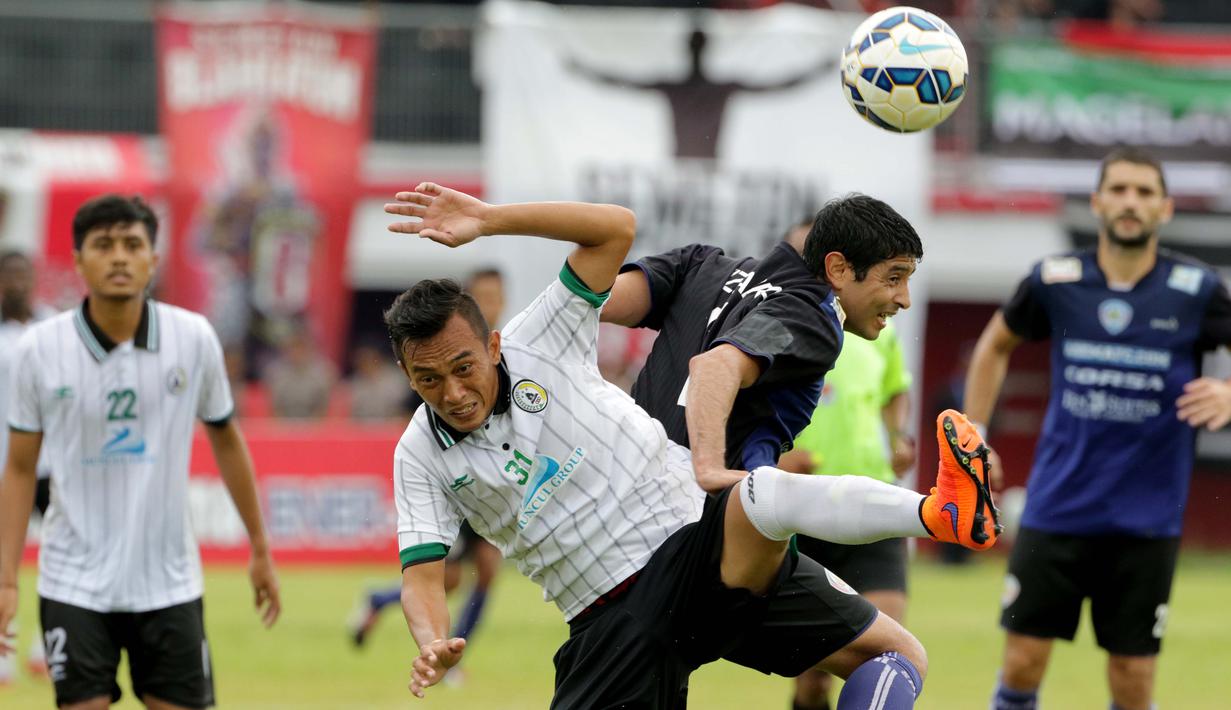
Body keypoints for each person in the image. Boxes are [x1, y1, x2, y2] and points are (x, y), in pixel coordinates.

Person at [383, 183, 999, 708]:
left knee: (892, 649)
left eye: (463, 368)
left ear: (492, 346)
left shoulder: (539, 338)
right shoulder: (417, 452)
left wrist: (490, 219)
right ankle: (935, 511)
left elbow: (614, 232)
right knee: (755, 495)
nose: (454, 392)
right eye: (428, 381)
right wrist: (432, 639)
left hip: (689, 537)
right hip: (615, 614)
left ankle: (937, 511)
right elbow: (424, 577)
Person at [965, 148, 1231, 710]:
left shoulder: (1197, 288)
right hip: (1056, 508)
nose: (1130, 202)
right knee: (1022, 663)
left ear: (1165, 208)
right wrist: (977, 433)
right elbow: (994, 346)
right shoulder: (1056, 280)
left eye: (1143, 192)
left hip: (1146, 519)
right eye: (1119, 190)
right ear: (1097, 202)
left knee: (1132, 677)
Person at [0, 195, 282, 709]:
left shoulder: (193, 338)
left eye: (133, 244)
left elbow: (226, 439)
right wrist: (5, 582)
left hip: (169, 583)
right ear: (78, 259)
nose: (119, 257)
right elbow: (19, 468)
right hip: (73, 583)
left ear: (153, 259)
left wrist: (260, 546)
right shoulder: (37, 350)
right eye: (103, 245)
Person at [766, 219, 917, 710]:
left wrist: (897, 437)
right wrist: (773, 460)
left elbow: (895, 391)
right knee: (815, 681)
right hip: (806, 509)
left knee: (888, 656)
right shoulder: (775, 323)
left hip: (873, 499)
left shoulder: (880, 330)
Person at [350, 269, 506, 663]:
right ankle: (384, 602)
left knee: (487, 570)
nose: (492, 303)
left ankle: (455, 651)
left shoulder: (504, 350)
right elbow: (417, 415)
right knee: (447, 577)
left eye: (497, 296)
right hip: (457, 483)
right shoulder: (435, 351)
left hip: (494, 482)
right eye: (485, 295)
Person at [0, 251, 57, 682]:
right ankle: (5, 649)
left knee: (59, 554)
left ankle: (48, 645)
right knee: (4, 558)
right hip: (3, 462)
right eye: (9, 276)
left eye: (23, 273)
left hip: (51, 461)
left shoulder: (54, 327)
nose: (17, 283)